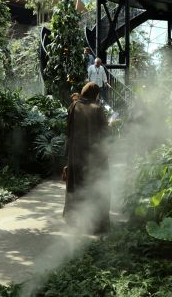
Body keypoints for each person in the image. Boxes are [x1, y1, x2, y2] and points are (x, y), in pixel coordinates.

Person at [63, 82, 109, 233]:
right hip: (94, 155)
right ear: (95, 93)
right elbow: (105, 134)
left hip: (76, 153)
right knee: (95, 184)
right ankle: (95, 224)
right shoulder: (97, 109)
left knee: (77, 184)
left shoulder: (74, 106)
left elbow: (68, 131)